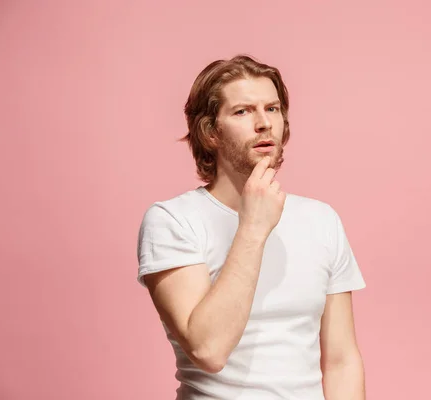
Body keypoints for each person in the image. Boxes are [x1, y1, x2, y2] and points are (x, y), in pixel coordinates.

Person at [136, 54, 367, 399]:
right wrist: (254, 227)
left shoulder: (321, 220)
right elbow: (208, 350)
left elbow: (341, 361)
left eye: (272, 109)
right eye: (242, 111)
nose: (264, 123)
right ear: (210, 132)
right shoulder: (172, 221)